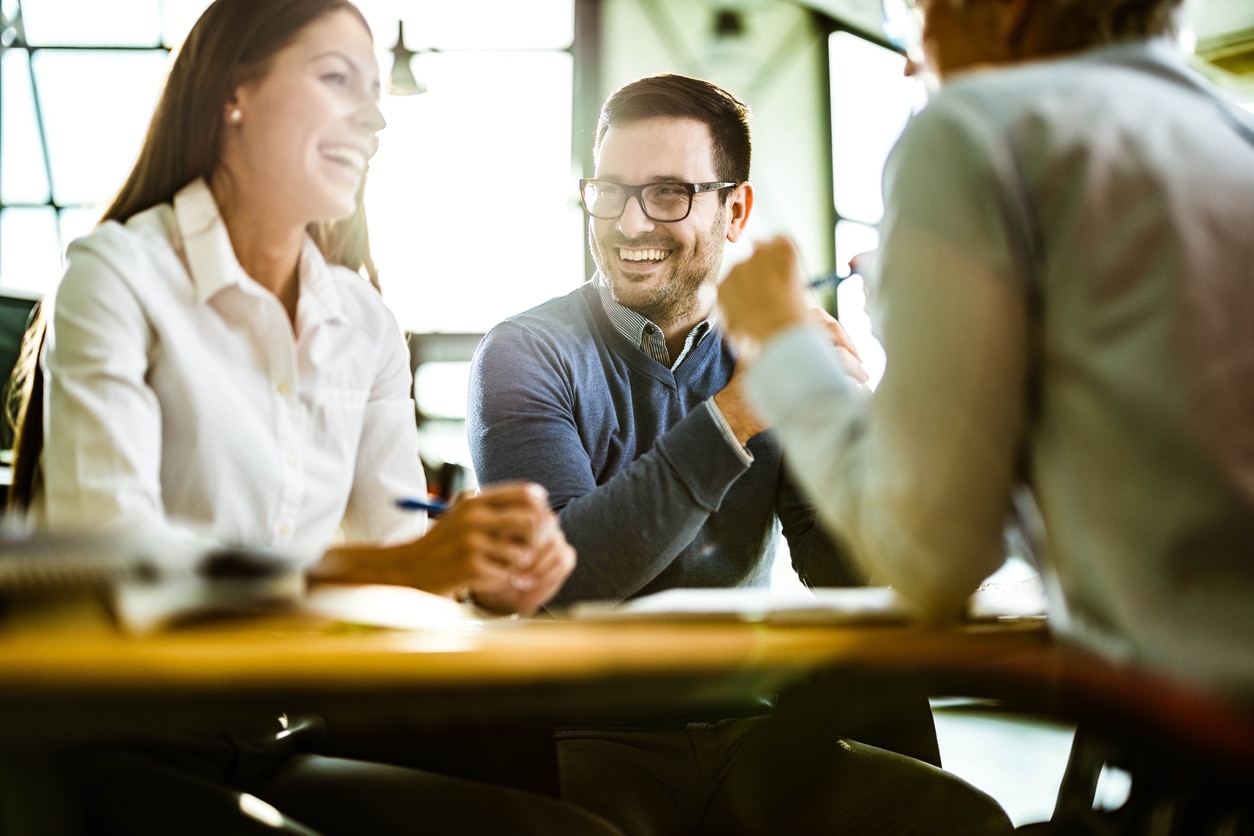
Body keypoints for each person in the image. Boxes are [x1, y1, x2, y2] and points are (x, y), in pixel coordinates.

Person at [7, 1, 623, 833]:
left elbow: (397, 557)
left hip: (273, 736)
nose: (371, 116)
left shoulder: (362, 322)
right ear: (236, 93)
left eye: (374, 93)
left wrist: (480, 578)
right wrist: (401, 570)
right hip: (116, 740)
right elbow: (116, 569)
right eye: (337, 79)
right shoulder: (119, 275)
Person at [468, 72, 1013, 835]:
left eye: (667, 194)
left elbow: (846, 575)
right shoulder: (524, 355)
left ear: (736, 210)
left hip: (755, 733)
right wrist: (739, 411)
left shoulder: (769, 353)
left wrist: (870, 412)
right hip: (584, 740)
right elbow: (565, 581)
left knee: (966, 823)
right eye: (611, 191)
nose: (629, 223)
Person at [719, 0, 1254, 707]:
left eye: (915, 18)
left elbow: (927, 557)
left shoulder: (976, 128)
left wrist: (783, 340)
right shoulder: (1233, 131)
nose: (912, 60)